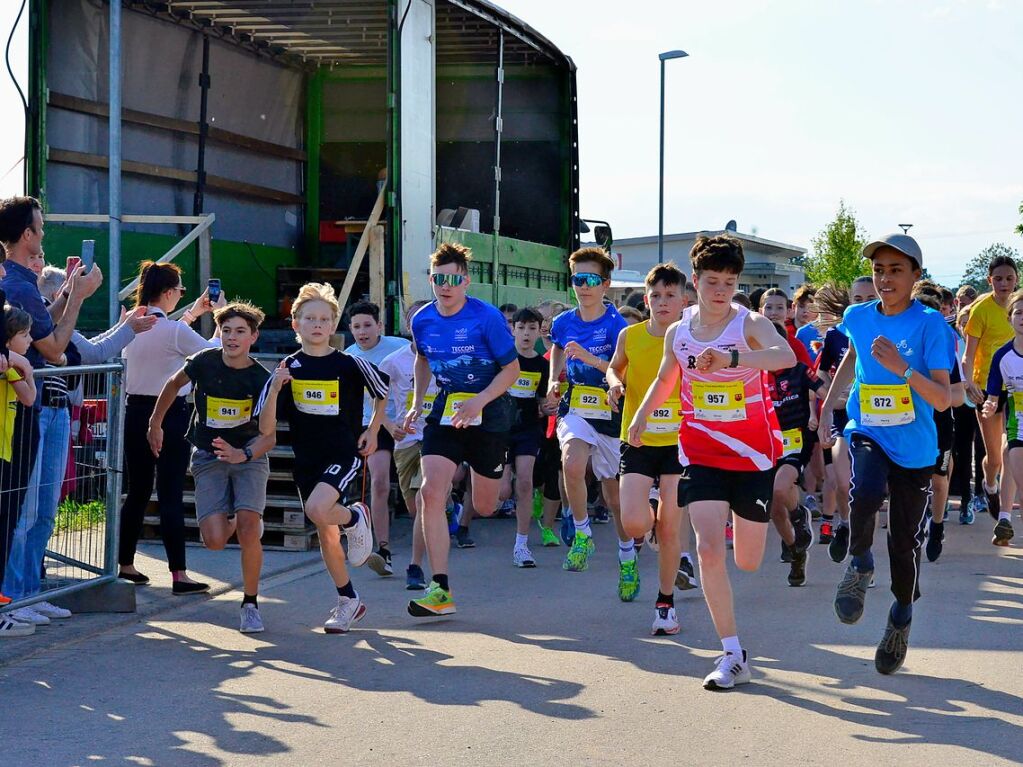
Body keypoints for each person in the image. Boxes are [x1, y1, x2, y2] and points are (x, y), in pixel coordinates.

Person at [630, 234, 795, 690]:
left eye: (728, 281)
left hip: (752, 454)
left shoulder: (750, 323)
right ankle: (732, 652)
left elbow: (785, 357)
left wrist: (733, 358)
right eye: (711, 281)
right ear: (695, 283)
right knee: (706, 547)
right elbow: (667, 376)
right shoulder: (679, 332)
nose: (720, 290)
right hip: (700, 449)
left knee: (746, 560)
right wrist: (642, 416)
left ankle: (768, 527)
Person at [818, 233, 952, 676]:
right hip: (868, 429)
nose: (885, 278)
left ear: (916, 275)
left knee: (904, 543)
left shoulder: (932, 325)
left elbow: (941, 398)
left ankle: (900, 615)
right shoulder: (857, 315)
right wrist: (826, 408)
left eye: (896, 270)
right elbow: (852, 359)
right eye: (879, 270)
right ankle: (858, 562)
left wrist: (902, 369)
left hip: (914, 447)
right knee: (865, 488)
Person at [256, 282, 383, 634]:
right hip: (307, 461)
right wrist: (276, 389)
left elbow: (384, 393)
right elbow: (266, 427)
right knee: (326, 534)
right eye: (308, 318)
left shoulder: (350, 363)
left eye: (324, 319)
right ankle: (348, 601)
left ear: (333, 325)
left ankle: (356, 517)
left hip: (343, 453)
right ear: (295, 323)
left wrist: (372, 431)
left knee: (316, 510)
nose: (316, 324)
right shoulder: (287, 367)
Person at [0, 197, 104, 622]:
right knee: (23, 511)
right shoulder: (18, 285)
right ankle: (13, 598)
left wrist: (65, 293)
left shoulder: (26, 282)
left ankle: (28, 591)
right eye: (40, 229)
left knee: (43, 509)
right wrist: (78, 298)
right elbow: (56, 349)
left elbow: (44, 325)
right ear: (28, 234)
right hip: (30, 406)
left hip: (44, 404)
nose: (43, 236)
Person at [403, 243, 519, 617]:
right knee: (431, 493)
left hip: (490, 411)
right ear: (432, 280)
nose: (445, 286)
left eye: (453, 279)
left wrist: (480, 401)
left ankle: (483, 475)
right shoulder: (421, 319)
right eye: (439, 279)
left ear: (466, 281)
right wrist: (417, 404)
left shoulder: (485, 317)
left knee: (485, 505)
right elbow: (422, 360)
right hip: (447, 410)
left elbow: (512, 370)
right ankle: (440, 588)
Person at [148, 302, 275, 633]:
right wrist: (155, 422)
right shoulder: (204, 362)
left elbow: (268, 437)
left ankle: (250, 603)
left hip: (248, 458)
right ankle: (236, 516)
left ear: (254, 337)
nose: (232, 338)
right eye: (227, 331)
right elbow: (173, 385)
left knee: (249, 530)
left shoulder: (262, 378)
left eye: (240, 332)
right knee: (215, 541)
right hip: (208, 456)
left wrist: (242, 454)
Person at [117, 261, 224, 593]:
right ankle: (178, 573)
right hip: (170, 413)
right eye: (179, 290)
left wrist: (192, 313)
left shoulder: (129, 324)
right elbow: (214, 352)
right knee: (170, 493)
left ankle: (126, 564)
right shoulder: (175, 331)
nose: (181, 295)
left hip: (134, 411)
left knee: (136, 491)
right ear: (167, 292)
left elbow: (172, 333)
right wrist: (218, 319)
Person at [609, 262, 694, 637]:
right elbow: (615, 368)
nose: (662, 302)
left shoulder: (692, 338)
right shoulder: (630, 335)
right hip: (638, 438)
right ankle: (651, 513)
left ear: (684, 301)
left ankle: (665, 604)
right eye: (656, 295)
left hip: (679, 442)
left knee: (671, 529)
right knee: (634, 523)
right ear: (646, 299)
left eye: (670, 295)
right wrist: (614, 384)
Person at [546, 248, 631, 596]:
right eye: (578, 279)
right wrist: (554, 379)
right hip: (577, 405)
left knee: (614, 497)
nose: (583, 286)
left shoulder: (617, 326)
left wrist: (594, 360)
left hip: (610, 412)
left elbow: (622, 370)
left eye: (591, 280)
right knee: (572, 461)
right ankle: (582, 533)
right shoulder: (564, 322)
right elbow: (557, 348)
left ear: (606, 284)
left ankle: (627, 557)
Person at [345, 301, 410, 577]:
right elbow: (367, 400)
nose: (362, 332)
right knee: (380, 482)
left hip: (408, 422)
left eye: (367, 325)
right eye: (357, 327)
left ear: (380, 326)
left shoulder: (399, 347)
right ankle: (383, 549)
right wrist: (385, 423)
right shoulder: (349, 356)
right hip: (373, 424)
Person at [378, 300, 436, 590]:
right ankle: (441, 514)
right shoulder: (394, 361)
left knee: (426, 502)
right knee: (416, 510)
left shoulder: (444, 356)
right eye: (414, 321)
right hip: (406, 440)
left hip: (437, 439)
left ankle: (415, 566)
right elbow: (375, 400)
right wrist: (390, 427)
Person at [910, 282, 967, 562]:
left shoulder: (944, 345)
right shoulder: (902, 346)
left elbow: (958, 394)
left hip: (939, 422)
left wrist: (938, 395)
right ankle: (914, 524)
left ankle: (937, 524)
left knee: (938, 478)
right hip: (908, 423)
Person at [963, 255, 1018, 526]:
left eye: (1009, 278)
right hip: (987, 388)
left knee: (1012, 448)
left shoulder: (1020, 307)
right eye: (998, 279)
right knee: (994, 457)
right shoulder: (981, 310)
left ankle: (1006, 511)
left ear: (1017, 279)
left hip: (1017, 386)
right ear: (989, 281)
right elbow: (968, 355)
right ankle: (989, 484)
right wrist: (968, 382)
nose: (1004, 283)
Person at [766, 321, 823, 586]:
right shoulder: (753, 374)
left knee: (779, 489)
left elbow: (826, 392)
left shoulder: (800, 371)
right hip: (765, 444)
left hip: (795, 441)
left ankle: (799, 516)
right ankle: (795, 547)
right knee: (775, 504)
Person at [0, 306, 38, 636]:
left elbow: (29, 396)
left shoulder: (13, 364)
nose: (31, 339)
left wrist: (15, 368)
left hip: (6, 450)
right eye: (24, 334)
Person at [506, 308, 551, 567]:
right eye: (521, 327)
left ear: (538, 331)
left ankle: (521, 545)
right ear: (513, 329)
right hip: (500, 429)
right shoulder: (503, 358)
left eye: (532, 328)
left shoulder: (542, 365)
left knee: (524, 482)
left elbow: (542, 399)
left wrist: (548, 407)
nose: (526, 333)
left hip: (528, 428)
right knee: (500, 494)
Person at [980, 287, 1023, 547]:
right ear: (1010, 318)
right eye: (1019, 312)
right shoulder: (1002, 357)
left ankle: (1005, 517)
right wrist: (988, 406)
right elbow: (993, 397)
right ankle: (1005, 517)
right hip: (1019, 427)